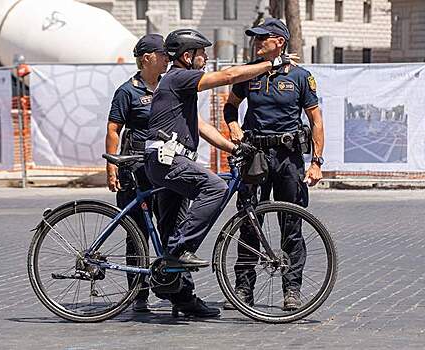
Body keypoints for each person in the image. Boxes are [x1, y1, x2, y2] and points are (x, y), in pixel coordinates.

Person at [144, 28, 292, 318]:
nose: (206, 58)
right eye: (201, 53)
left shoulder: (178, 86)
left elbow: (201, 126)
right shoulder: (179, 77)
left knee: (174, 226)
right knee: (215, 188)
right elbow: (227, 77)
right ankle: (179, 253)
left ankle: (174, 285)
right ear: (188, 57)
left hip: (170, 160)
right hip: (167, 160)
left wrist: (231, 147)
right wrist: (272, 65)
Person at [221, 18, 325, 311]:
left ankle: (291, 290)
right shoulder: (248, 74)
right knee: (249, 223)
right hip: (255, 155)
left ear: (279, 41)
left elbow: (316, 120)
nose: (256, 42)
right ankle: (243, 289)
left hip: (288, 159)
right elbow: (230, 107)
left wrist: (316, 162)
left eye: (262, 38)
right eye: (255, 38)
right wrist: (233, 127)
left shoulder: (301, 77)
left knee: (291, 225)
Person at [105, 34, 188, 313]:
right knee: (137, 232)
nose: (167, 59)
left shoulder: (169, 86)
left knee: (172, 228)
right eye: (162, 54)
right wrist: (111, 166)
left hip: (166, 165)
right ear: (146, 58)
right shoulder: (127, 91)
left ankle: (176, 293)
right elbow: (113, 129)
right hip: (135, 168)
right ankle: (138, 294)